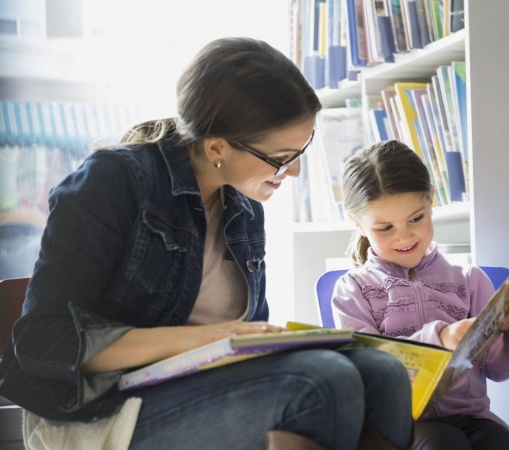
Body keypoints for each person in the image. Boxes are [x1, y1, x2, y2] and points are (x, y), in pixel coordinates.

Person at [0, 38, 414, 450]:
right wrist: (210, 337)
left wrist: (263, 339)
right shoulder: (115, 179)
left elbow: (246, 333)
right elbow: (42, 339)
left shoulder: (244, 205)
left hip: (198, 385)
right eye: (281, 157)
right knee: (322, 380)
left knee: (384, 372)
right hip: (97, 410)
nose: (294, 171)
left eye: (301, 150)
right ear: (217, 147)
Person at [331, 140, 509, 450]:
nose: (404, 236)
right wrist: (439, 340)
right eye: (385, 227)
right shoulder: (353, 290)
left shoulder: (468, 280)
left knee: (502, 444)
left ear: (431, 199)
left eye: (416, 219)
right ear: (357, 223)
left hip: (471, 418)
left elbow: (498, 370)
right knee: (443, 443)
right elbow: (370, 376)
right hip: (395, 428)